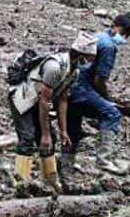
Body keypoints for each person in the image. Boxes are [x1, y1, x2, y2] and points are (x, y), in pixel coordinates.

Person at [7, 32, 98, 194]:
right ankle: (21, 184)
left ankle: (49, 182)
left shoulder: (73, 71)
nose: (90, 62)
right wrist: (45, 135)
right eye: (90, 57)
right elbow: (44, 100)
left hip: (38, 101)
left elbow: (63, 99)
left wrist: (63, 131)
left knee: (51, 140)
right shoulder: (55, 67)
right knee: (28, 137)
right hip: (23, 98)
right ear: (81, 55)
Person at [62, 13, 130, 177]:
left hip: (68, 88)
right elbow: (99, 80)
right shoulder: (109, 47)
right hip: (83, 88)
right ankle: (103, 160)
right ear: (115, 26)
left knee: (73, 125)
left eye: (127, 35)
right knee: (112, 114)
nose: (123, 37)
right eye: (123, 32)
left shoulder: (97, 37)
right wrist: (107, 98)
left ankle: (66, 163)